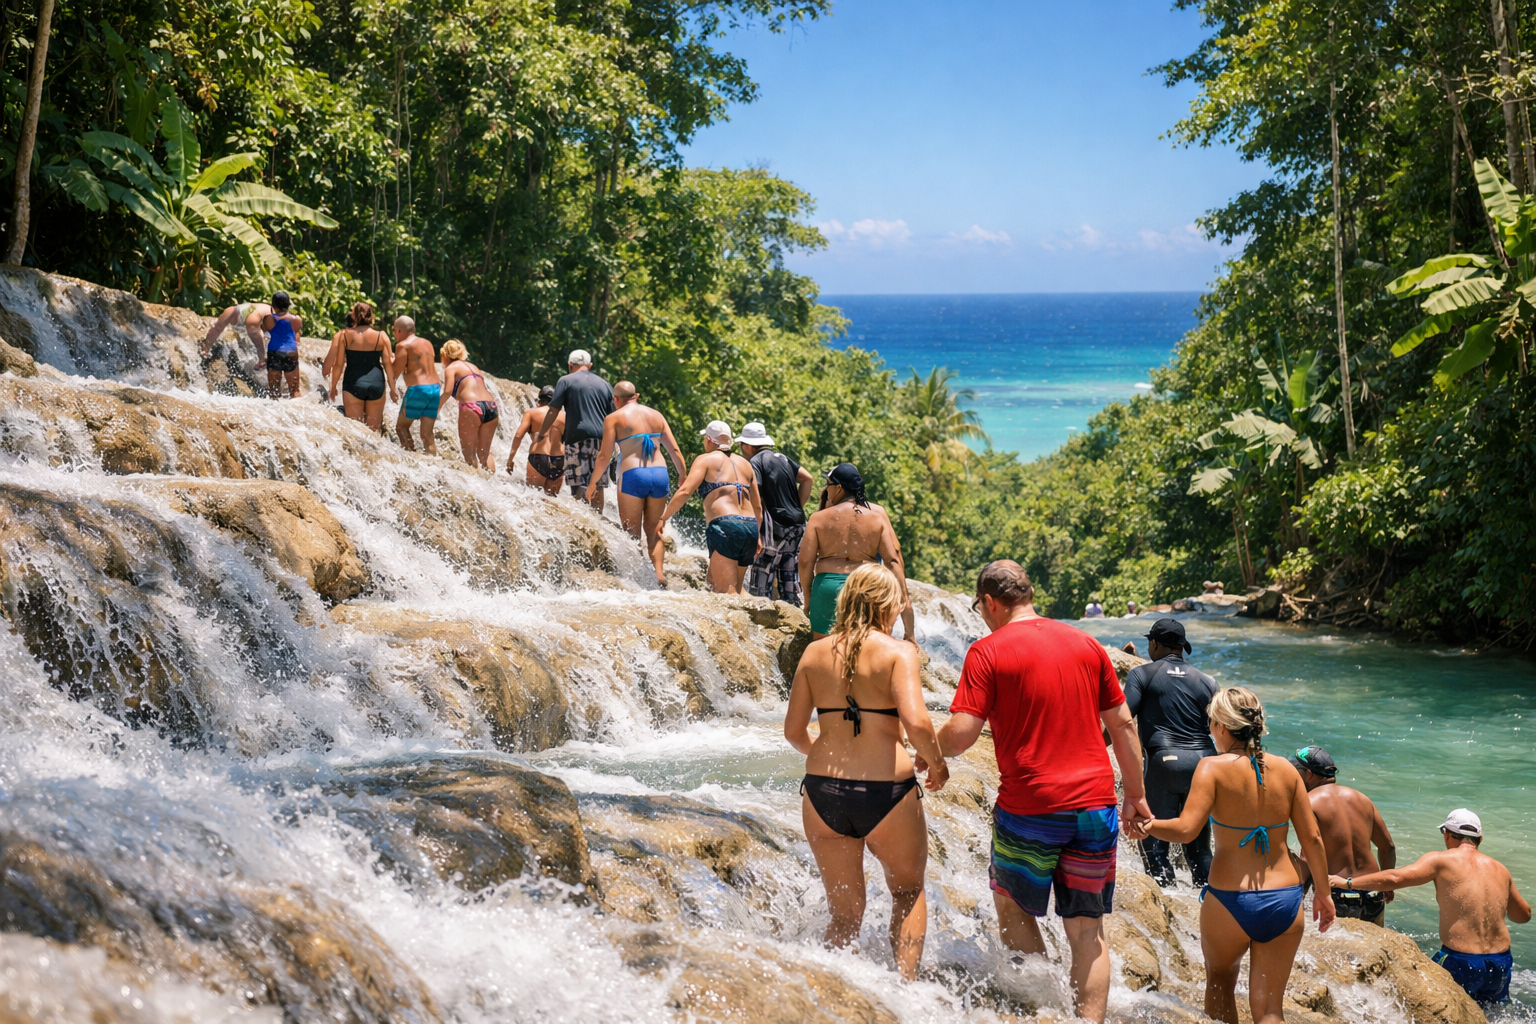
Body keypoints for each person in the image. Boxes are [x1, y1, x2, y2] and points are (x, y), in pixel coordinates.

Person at [932, 560, 1149, 1024]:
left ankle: (1044, 1007)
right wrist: (1135, 793)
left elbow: (962, 735)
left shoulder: (987, 652)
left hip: (1029, 809)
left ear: (991, 602)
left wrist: (927, 748)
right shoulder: (1085, 644)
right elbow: (1123, 724)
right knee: (1089, 934)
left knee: (1012, 908)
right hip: (1095, 807)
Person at [782, 563, 949, 980]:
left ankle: (836, 996)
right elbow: (917, 723)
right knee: (907, 892)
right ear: (886, 603)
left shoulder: (814, 653)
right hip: (886, 792)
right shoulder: (897, 652)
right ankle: (905, 992)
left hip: (822, 794)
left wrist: (821, 751)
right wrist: (936, 762)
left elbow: (792, 731)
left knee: (843, 915)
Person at [1137, 687, 1334, 1024]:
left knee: (1220, 986)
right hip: (1285, 900)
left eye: (1212, 722)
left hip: (1230, 901)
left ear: (1223, 727)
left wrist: (1149, 825)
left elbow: (1186, 830)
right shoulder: (1288, 771)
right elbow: (1312, 839)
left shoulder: (1211, 768)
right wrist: (1325, 896)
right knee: (1270, 1010)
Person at [1329, 809, 1529, 1007]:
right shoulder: (1500, 869)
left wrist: (1346, 882)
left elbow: (1395, 878)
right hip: (1500, 963)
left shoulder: (1441, 860)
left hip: (1461, 961)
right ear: (1480, 839)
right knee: (1491, 1013)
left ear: (1448, 835)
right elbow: (1523, 915)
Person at [1124, 618, 1219, 889]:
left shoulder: (1141, 674)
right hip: (1205, 764)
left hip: (1164, 763)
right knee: (1200, 847)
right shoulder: (1208, 681)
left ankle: (1167, 902)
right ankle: (1206, 900)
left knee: (1154, 846)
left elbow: (1122, 720)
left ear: (1154, 644)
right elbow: (1222, 727)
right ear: (1181, 647)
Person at [799, 463, 915, 643]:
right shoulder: (876, 518)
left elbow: (805, 562)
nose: (826, 489)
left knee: (822, 648)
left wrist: (808, 598)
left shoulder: (818, 518)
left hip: (828, 588)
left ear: (839, 488)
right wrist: (903, 604)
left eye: (828, 484)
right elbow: (892, 559)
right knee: (864, 647)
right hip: (865, 587)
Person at [586, 381, 687, 587]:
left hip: (633, 474)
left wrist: (593, 483)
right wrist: (682, 475)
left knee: (632, 531)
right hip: (660, 474)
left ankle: (637, 579)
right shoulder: (656, 415)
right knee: (654, 529)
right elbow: (674, 451)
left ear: (615, 399)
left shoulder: (613, 418)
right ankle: (659, 575)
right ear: (636, 396)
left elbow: (605, 455)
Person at [1287, 745, 1396, 925]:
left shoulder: (1309, 802)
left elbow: (1308, 856)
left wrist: (1297, 898)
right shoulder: (1362, 799)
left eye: (1297, 772)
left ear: (1310, 774)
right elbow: (1388, 846)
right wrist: (1387, 884)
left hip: (1337, 893)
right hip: (1373, 892)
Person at [657, 421, 762, 594]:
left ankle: (750, 620)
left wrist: (663, 518)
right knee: (720, 583)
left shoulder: (705, 460)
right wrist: (758, 534)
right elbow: (757, 506)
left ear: (708, 440)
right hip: (750, 526)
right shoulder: (746, 464)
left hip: (727, 525)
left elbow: (684, 492)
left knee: (727, 592)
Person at [740, 422, 814, 605]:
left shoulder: (755, 462)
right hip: (796, 526)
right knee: (790, 582)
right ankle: (796, 621)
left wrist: (755, 530)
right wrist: (797, 506)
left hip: (773, 529)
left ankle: (761, 624)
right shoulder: (783, 458)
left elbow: (755, 495)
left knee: (760, 586)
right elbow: (808, 478)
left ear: (748, 446)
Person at [536, 349, 614, 511]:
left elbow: (553, 410)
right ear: (590, 365)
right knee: (598, 484)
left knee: (579, 482)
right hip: (602, 440)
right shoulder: (605, 384)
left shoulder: (565, 381)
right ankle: (597, 518)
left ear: (570, 365)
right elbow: (614, 416)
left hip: (577, 438)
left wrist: (542, 432)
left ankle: (583, 520)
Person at [325, 302, 395, 432]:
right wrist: (393, 388)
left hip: (353, 383)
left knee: (355, 431)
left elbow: (339, 364)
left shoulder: (344, 335)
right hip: (377, 384)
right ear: (371, 317)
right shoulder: (382, 336)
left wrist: (333, 387)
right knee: (375, 431)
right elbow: (388, 364)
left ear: (354, 316)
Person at [437, 340, 499, 470]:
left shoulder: (451, 368)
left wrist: (437, 408)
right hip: (491, 406)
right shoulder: (474, 367)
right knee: (484, 453)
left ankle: (476, 486)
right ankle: (492, 484)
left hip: (472, 407)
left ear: (445, 355)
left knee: (469, 453)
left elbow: (447, 391)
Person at [391, 316, 440, 455]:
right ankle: (432, 462)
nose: (394, 334)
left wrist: (389, 361)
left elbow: (395, 372)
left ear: (400, 330)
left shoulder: (403, 345)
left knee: (401, 428)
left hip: (419, 390)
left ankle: (412, 462)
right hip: (435, 389)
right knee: (427, 435)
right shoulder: (427, 343)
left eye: (394, 331)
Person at [507, 386, 566, 496]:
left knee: (534, 499)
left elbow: (518, 435)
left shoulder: (531, 413)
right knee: (551, 502)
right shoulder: (565, 416)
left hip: (539, 457)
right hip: (559, 460)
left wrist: (510, 459)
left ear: (539, 401)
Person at [258, 292, 302, 399]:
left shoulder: (268, 319)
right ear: (288, 305)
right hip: (291, 353)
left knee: (274, 393)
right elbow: (296, 336)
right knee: (295, 391)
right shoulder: (296, 319)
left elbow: (263, 330)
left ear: (273, 305)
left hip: (274, 352)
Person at [200, 299, 271, 360]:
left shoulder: (233, 312)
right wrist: (207, 349)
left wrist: (206, 349)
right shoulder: (233, 313)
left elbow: (217, 329)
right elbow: (217, 329)